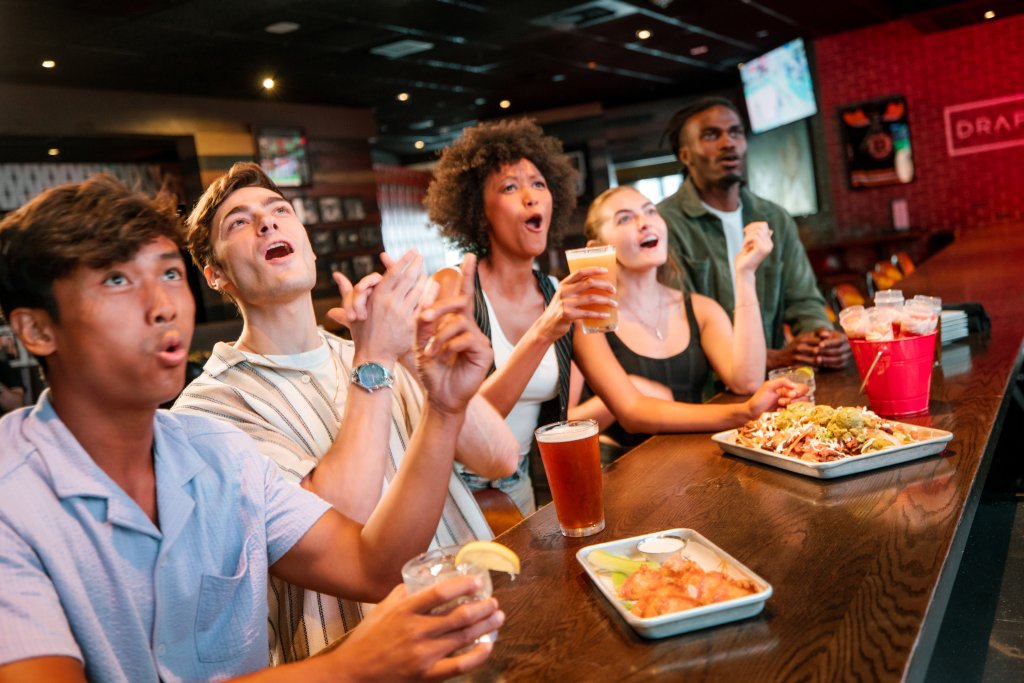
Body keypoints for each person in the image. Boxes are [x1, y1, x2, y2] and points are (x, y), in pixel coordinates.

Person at [0, 175, 503, 682]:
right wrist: (347, 669)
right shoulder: (14, 495)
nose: (163, 305)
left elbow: (372, 566)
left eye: (170, 274)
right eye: (116, 280)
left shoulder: (216, 452)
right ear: (38, 330)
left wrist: (443, 407)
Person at [173, 162, 517, 661]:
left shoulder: (370, 347)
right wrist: (376, 359)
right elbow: (339, 520)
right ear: (216, 275)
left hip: (478, 615)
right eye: (239, 222)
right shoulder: (210, 409)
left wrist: (408, 353)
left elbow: (500, 459)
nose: (267, 223)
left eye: (280, 211)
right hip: (356, 654)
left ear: (308, 244)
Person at [426, 119, 803, 489]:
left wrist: (744, 411)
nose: (531, 196)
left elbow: (632, 409)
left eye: (539, 184)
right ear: (477, 210)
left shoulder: (561, 293)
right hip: (448, 486)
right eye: (510, 187)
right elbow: (460, 424)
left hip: (518, 486)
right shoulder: (454, 287)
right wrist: (545, 331)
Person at [569, 185, 777, 457]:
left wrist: (746, 273)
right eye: (625, 218)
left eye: (651, 211)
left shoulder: (701, 309)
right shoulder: (590, 317)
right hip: (621, 469)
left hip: (695, 459)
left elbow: (747, 382)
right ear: (597, 248)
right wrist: (634, 390)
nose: (645, 223)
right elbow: (574, 420)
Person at [657, 96, 851, 371]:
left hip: (775, 385)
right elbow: (674, 327)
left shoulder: (774, 218)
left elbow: (804, 300)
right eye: (711, 135)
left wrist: (822, 339)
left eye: (735, 132)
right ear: (685, 154)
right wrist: (768, 358)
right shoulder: (665, 225)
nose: (728, 143)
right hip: (705, 395)